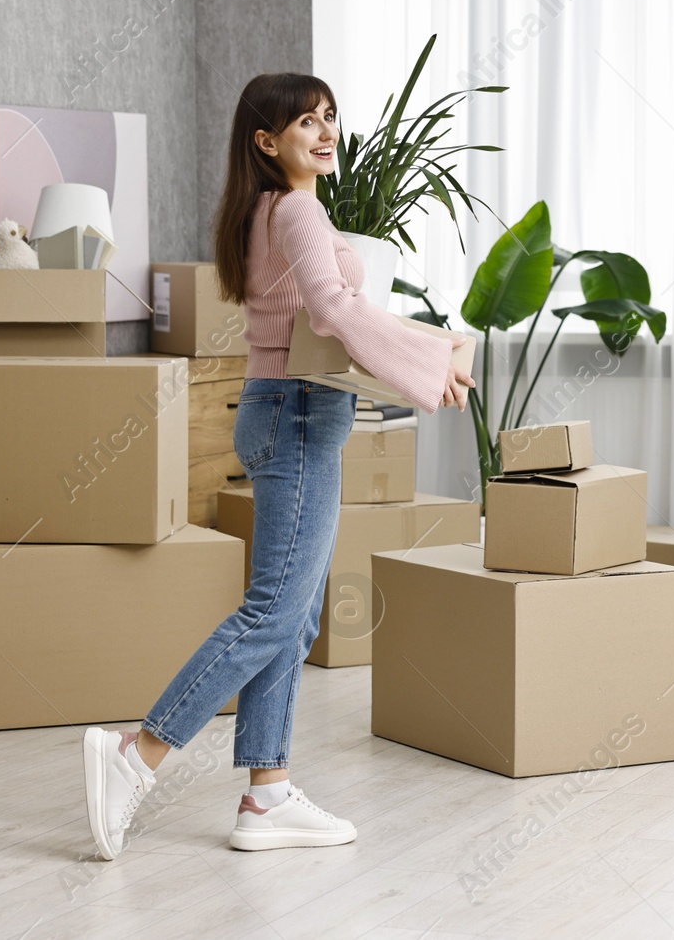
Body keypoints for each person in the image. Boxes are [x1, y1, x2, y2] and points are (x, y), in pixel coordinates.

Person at [79, 72, 474, 859]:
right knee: (272, 613)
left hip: (289, 410)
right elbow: (332, 310)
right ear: (267, 141)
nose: (324, 133)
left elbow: (330, 310)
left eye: (329, 118)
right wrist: (433, 361)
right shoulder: (296, 208)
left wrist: (429, 353)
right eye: (304, 123)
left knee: (294, 618)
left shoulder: (268, 208)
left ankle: (266, 794)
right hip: (295, 414)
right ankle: (140, 750)